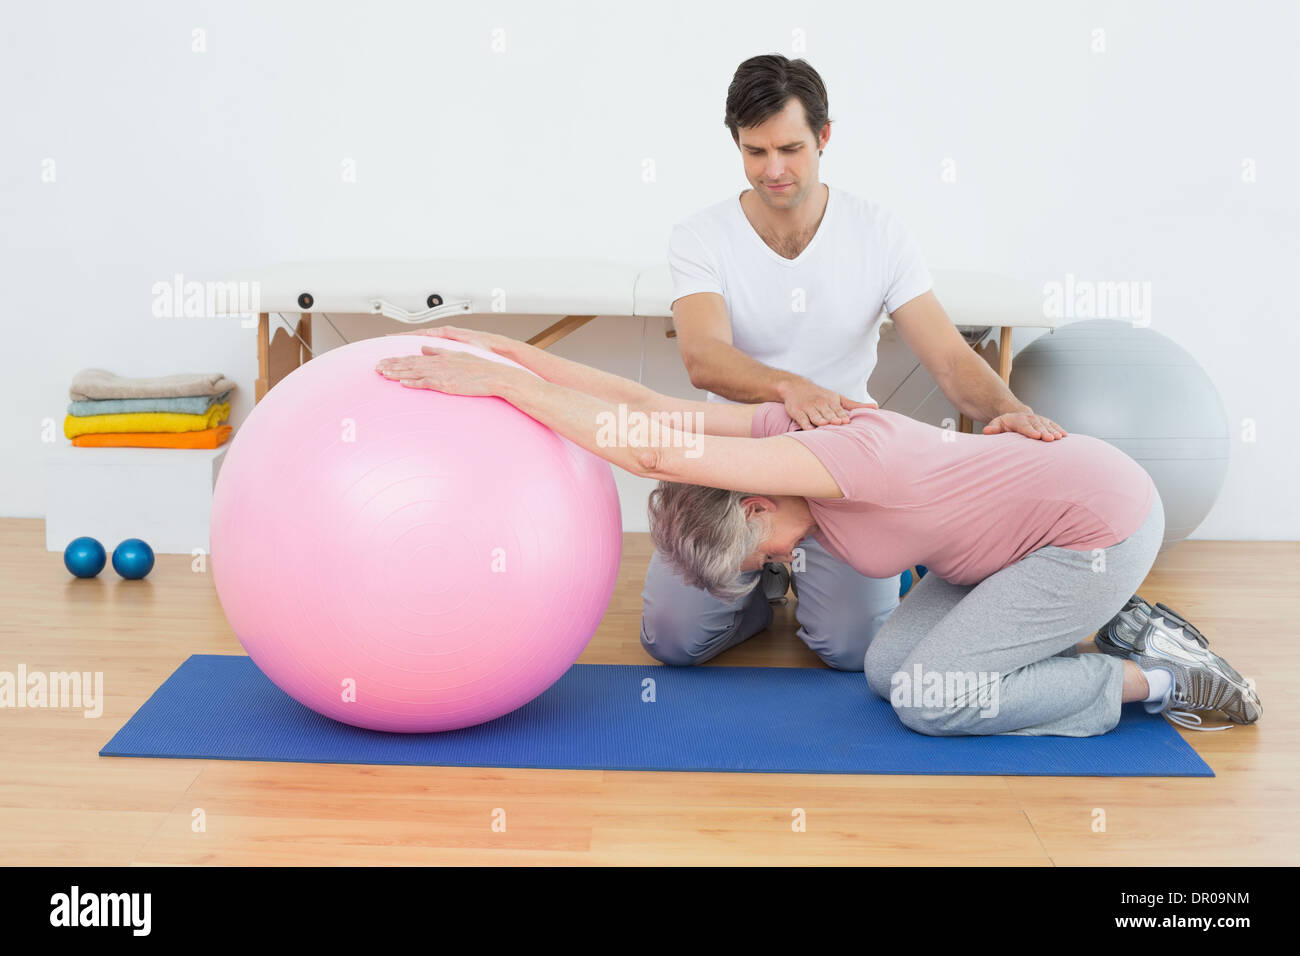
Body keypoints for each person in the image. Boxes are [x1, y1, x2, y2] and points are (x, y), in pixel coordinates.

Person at [373, 326, 1262, 737]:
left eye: (760, 555)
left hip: (1095, 526)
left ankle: (1152, 676)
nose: (776, 568)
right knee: (883, 672)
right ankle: (1125, 631)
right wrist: (502, 352)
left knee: (931, 700)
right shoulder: (784, 445)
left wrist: (501, 392)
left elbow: (647, 452)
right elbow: (643, 406)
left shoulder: (841, 461)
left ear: (756, 506)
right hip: (1003, 548)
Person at [645, 53, 1069, 672]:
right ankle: (762, 591)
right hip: (735, 464)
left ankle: (873, 571)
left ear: (823, 136)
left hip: (841, 465)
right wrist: (789, 388)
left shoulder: (879, 232)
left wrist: (1015, 413)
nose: (774, 169)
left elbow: (949, 358)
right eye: (754, 152)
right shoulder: (701, 235)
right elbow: (704, 359)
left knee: (851, 650)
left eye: (790, 148)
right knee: (673, 642)